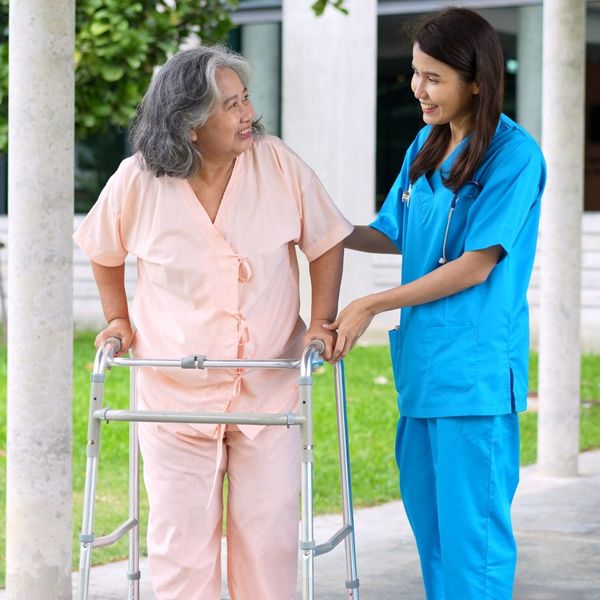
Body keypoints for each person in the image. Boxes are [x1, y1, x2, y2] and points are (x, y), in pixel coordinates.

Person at [74, 45, 352, 600]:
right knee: (181, 541)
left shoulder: (277, 163)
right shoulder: (137, 180)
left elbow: (324, 239)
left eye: (245, 98)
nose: (247, 112)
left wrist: (321, 321)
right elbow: (103, 249)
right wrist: (116, 319)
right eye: (230, 105)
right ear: (190, 125)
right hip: (175, 391)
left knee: (268, 536)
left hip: (269, 384)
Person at [324, 8, 546, 599]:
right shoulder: (426, 143)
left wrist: (372, 302)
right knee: (433, 534)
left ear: (477, 79)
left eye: (434, 77)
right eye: (416, 73)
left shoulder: (514, 156)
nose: (418, 88)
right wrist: (320, 226)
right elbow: (391, 231)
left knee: (473, 541)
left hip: (474, 375)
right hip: (424, 371)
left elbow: (475, 265)